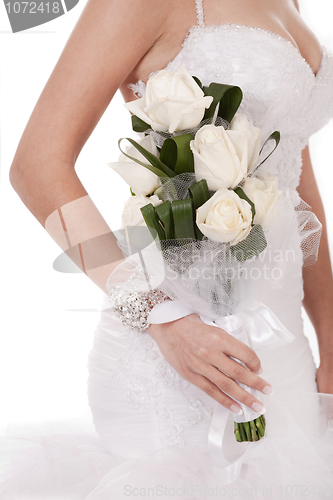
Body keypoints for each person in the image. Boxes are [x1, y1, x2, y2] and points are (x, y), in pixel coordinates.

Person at [5, 0, 333, 498]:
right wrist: (163, 317)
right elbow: (36, 166)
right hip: (176, 355)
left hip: (283, 353)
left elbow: (293, 179)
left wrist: (330, 335)